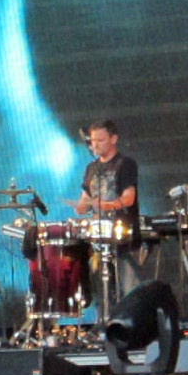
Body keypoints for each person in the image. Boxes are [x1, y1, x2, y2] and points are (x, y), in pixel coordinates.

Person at [74, 120, 143, 301]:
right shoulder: (91, 168)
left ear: (113, 139)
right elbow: (84, 200)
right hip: (99, 238)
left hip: (123, 237)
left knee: (130, 291)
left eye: (100, 140)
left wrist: (105, 205)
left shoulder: (125, 164)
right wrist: (80, 207)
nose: (95, 145)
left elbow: (128, 198)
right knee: (102, 291)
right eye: (93, 140)